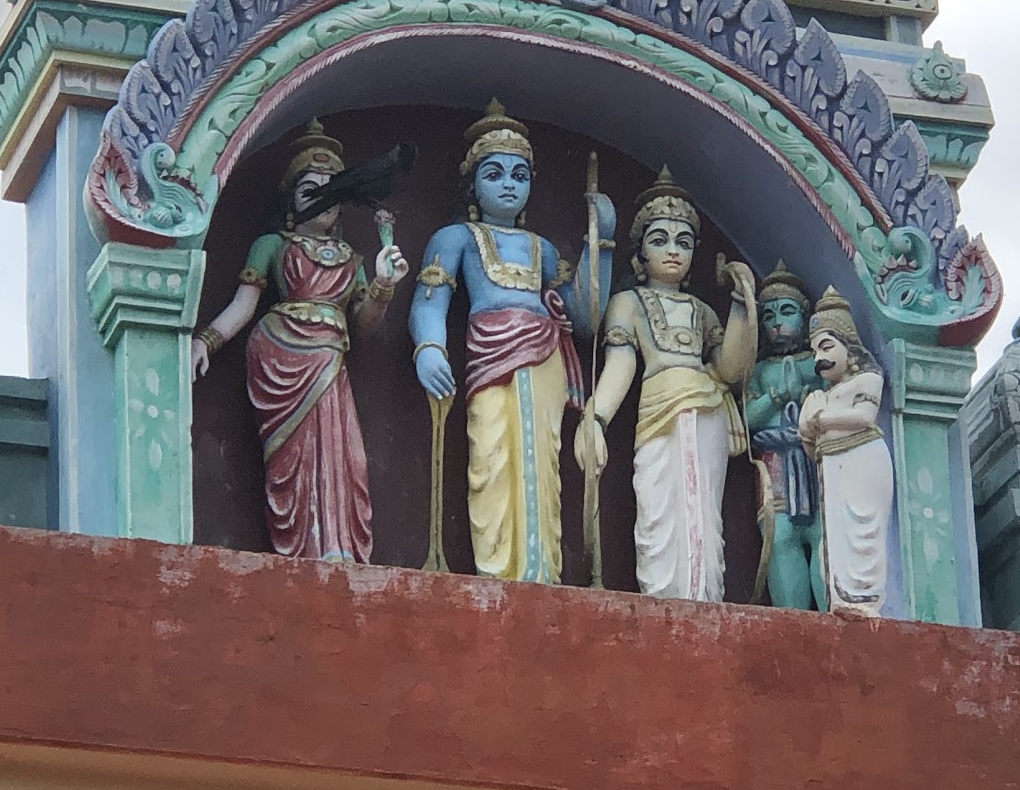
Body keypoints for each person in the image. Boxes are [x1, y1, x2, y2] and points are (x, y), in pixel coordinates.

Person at [409, 100, 614, 583]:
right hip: (489, 352)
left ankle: (542, 572)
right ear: (473, 184)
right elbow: (428, 302)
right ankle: (498, 572)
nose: (507, 184)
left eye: (519, 175)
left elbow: (584, 315)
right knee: (493, 457)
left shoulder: (542, 249)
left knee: (543, 464)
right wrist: (430, 348)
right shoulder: (456, 237)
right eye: (495, 173)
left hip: (544, 356)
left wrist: (599, 242)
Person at [191, 119, 408, 562]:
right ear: (291, 199)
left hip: (332, 358)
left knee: (346, 460)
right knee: (295, 461)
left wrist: (384, 285)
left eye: (332, 190)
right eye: (310, 189)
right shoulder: (272, 245)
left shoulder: (352, 258)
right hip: (280, 357)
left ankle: (337, 547)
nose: (322, 199)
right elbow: (243, 304)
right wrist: (206, 342)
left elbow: (363, 324)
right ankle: (308, 548)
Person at [575, 170, 756, 602]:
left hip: (708, 407)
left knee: (703, 512)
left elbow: (729, 370)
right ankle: (663, 597)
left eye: (684, 242)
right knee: (657, 509)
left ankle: (704, 594)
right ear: (639, 253)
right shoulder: (629, 303)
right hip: (657, 410)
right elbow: (620, 362)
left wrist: (740, 303)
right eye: (660, 240)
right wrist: (596, 418)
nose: (673, 252)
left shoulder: (702, 312)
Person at [798, 287, 894, 616]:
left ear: (849, 346)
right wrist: (807, 429)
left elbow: (865, 417)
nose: (818, 358)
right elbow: (809, 442)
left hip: (863, 459)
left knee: (863, 533)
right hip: (833, 467)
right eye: (814, 351)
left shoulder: (868, 378)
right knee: (834, 538)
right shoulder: (821, 395)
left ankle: (864, 601)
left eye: (826, 346)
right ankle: (842, 600)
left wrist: (820, 419)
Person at [744, 261, 825, 609]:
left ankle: (833, 615)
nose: (777, 321)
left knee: (826, 537)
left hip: (814, 463)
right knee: (780, 541)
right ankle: (794, 622)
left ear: (805, 320)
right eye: (769, 316)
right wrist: (776, 398)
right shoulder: (760, 371)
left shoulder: (820, 362)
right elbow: (745, 418)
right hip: (775, 464)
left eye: (787, 311)